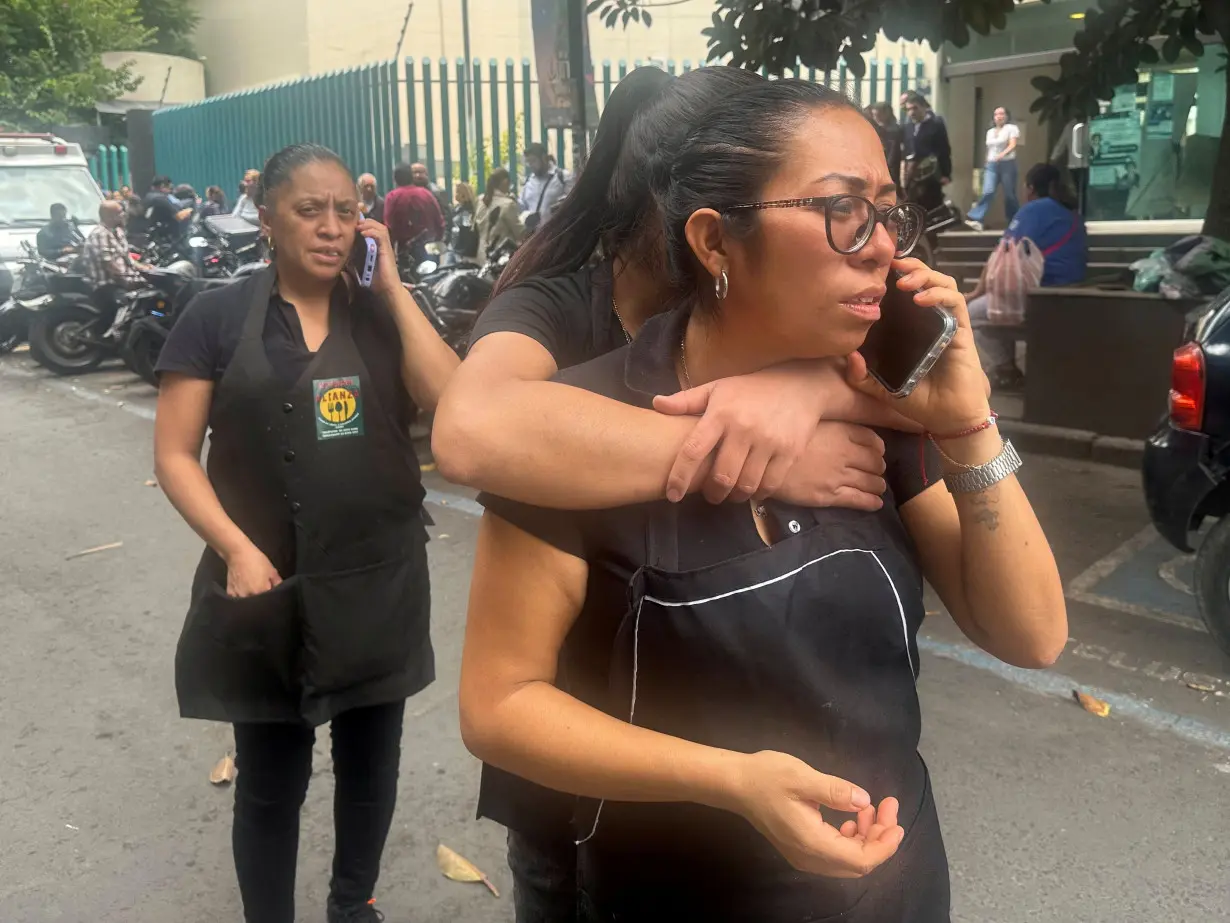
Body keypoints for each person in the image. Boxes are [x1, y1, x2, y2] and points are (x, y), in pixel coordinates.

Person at [458, 78, 1066, 922]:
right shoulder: (578, 432)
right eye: (844, 209)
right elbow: (500, 706)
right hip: (669, 888)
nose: (883, 247)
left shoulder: (884, 397)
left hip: (895, 887)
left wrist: (967, 427)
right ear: (714, 242)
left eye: (889, 212)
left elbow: (1032, 633)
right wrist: (731, 779)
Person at [152, 143, 460, 923]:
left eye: (346, 211)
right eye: (308, 210)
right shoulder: (216, 317)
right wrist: (236, 547)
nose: (331, 227)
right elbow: (175, 454)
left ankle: (353, 902)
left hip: (378, 578)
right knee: (269, 774)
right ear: (267, 220)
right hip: (267, 583)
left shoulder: (383, 314)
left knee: (370, 763)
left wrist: (391, 286)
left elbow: (454, 409)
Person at [967, 162, 1087, 388]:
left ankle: (1006, 369)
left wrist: (975, 293)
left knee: (970, 313)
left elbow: (1001, 255)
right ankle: (1008, 367)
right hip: (1071, 296)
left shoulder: (1033, 209)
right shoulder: (1073, 216)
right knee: (1001, 301)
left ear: (1030, 188)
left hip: (1039, 298)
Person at [966, 107, 1021, 230]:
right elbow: (989, 149)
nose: (999, 116)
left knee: (1009, 195)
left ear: (1007, 116)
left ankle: (1014, 220)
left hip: (1007, 164)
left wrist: (1002, 155)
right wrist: (987, 161)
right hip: (991, 165)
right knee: (988, 191)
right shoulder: (990, 132)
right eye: (996, 114)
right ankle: (976, 218)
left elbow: (1013, 144)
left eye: (1002, 114)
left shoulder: (1011, 128)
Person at [385, 162, 445, 267]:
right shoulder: (427, 194)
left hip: (406, 251)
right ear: (411, 177)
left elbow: (389, 227)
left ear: (395, 179)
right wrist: (437, 240)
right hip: (430, 248)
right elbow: (440, 223)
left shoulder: (392, 197)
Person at [902, 93, 951, 212]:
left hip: (930, 172)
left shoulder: (935, 124)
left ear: (924, 107)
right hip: (912, 172)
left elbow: (944, 149)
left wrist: (946, 174)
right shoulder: (907, 127)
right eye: (908, 109)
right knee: (913, 204)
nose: (912, 112)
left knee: (930, 204)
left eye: (915, 108)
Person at [473, 169, 524, 260]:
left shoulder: (480, 200)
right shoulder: (508, 204)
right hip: (498, 256)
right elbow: (520, 233)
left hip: (478, 254)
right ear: (505, 182)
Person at [519, 142, 570, 232]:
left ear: (544, 157)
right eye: (528, 162)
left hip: (556, 233)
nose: (531, 165)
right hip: (533, 237)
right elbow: (522, 208)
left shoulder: (562, 177)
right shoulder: (528, 182)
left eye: (533, 161)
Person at [144, 175, 192, 240]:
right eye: (169, 186)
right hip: (164, 238)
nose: (170, 189)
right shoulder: (161, 199)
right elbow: (178, 215)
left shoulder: (149, 196)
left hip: (150, 234)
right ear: (162, 186)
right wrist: (189, 210)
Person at [868, 102, 904, 190]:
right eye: (874, 115)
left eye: (878, 115)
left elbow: (894, 151)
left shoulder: (895, 130)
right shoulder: (874, 128)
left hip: (892, 167)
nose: (875, 118)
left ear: (886, 114)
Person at [449, 181, 480, 260]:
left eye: (457, 192)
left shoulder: (467, 210)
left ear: (463, 194)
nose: (455, 194)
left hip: (463, 251)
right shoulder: (459, 208)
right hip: (457, 248)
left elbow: (467, 231)